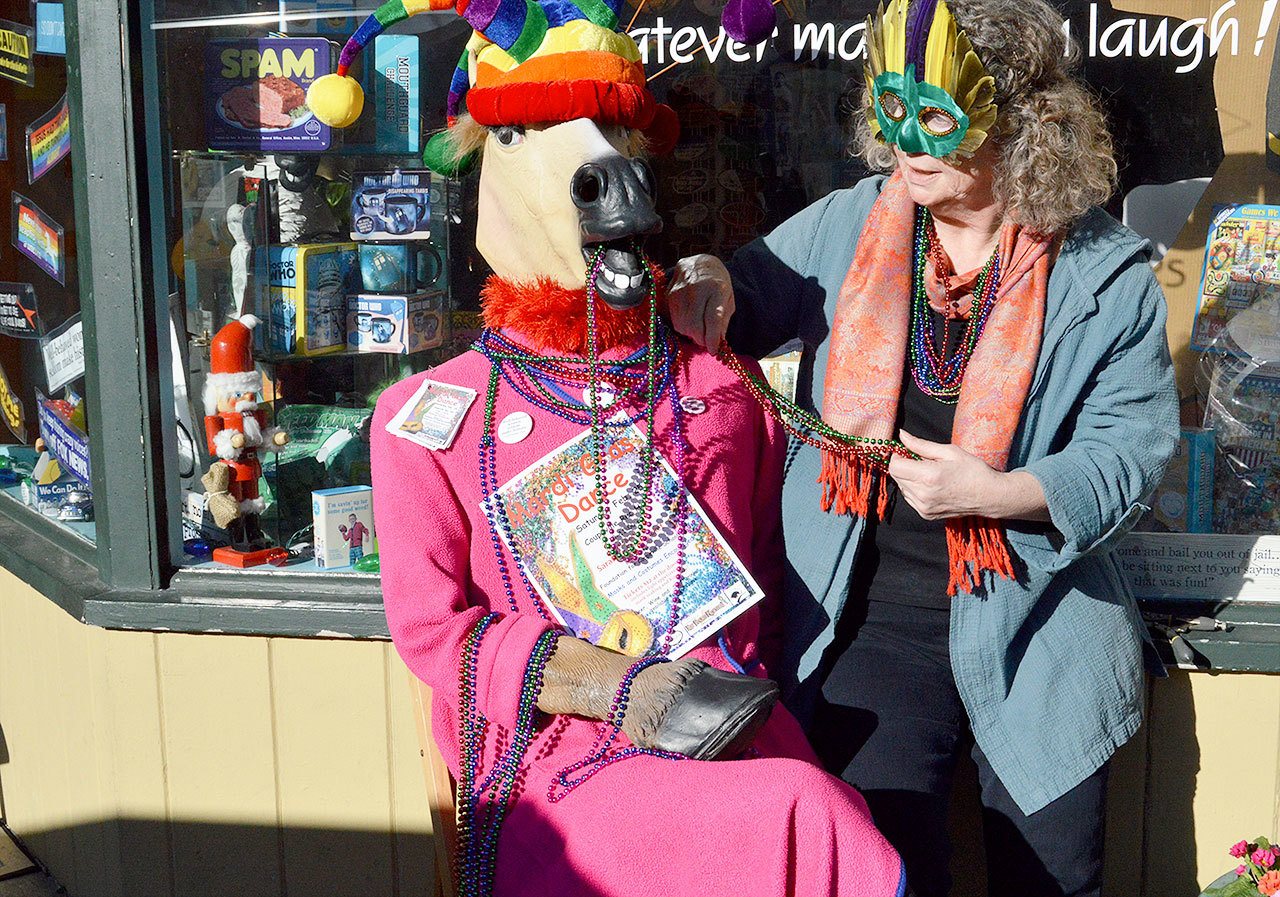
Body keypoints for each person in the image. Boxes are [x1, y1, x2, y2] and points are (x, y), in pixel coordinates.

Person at [667, 1, 1179, 894]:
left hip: (1038, 621)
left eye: (937, 116)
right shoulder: (849, 223)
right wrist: (709, 276)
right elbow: (745, 293)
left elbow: (1129, 452)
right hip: (869, 624)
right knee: (877, 870)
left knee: (1049, 880)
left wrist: (1003, 490)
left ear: (1022, 123)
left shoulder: (1106, 274)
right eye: (892, 107)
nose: (908, 139)